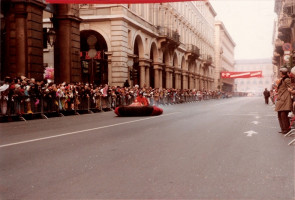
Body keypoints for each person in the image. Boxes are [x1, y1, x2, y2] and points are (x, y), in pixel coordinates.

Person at [275, 67, 293, 134]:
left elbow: (290, 87)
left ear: (282, 73)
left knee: (283, 115)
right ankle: (283, 128)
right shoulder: (282, 80)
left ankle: (287, 129)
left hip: (285, 100)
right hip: (281, 99)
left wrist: (291, 90)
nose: (280, 73)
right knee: (280, 114)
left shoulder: (287, 79)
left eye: (280, 72)